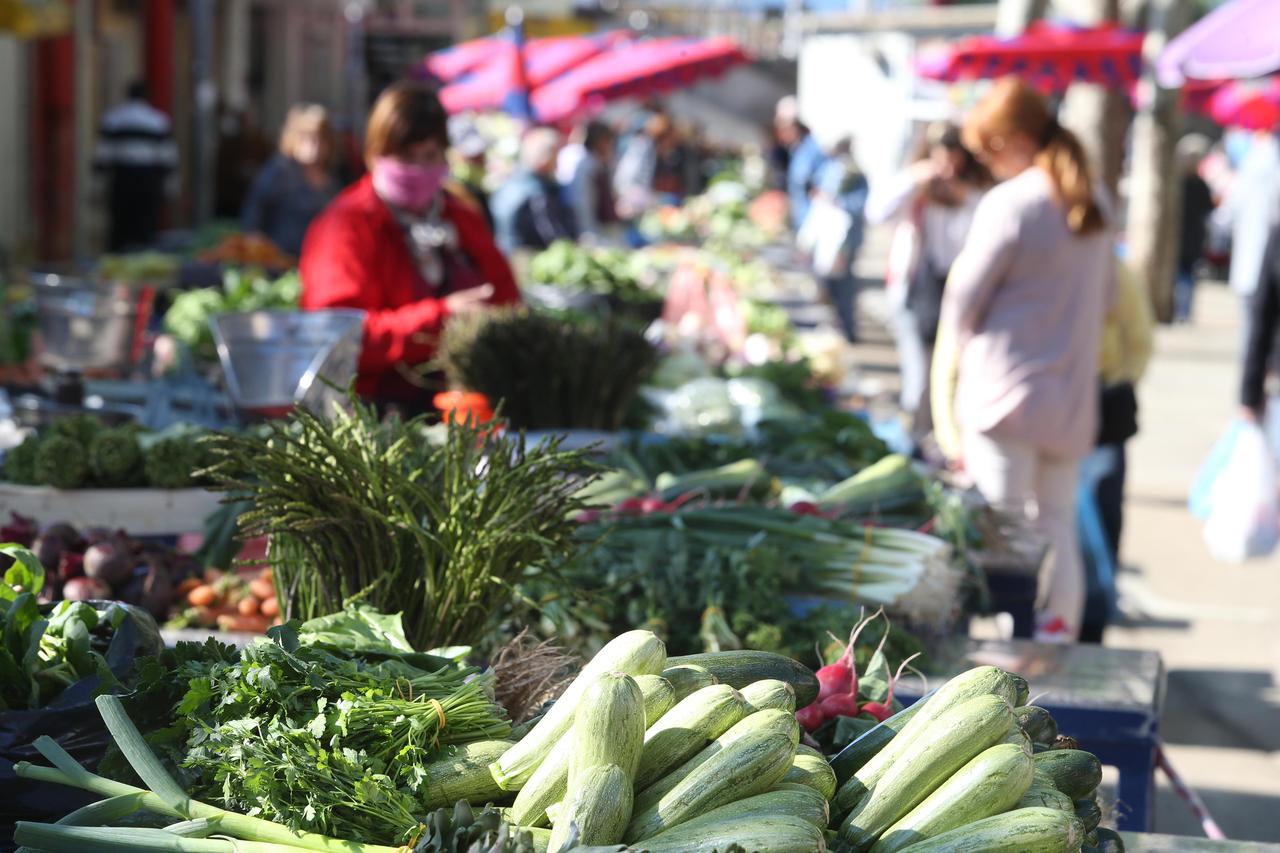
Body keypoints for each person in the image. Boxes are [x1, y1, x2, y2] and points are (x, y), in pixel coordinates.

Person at [931, 77, 1115, 643]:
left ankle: (1000, 657)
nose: (988, 161)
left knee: (1003, 533)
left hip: (1004, 395)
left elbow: (963, 298)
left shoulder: (1011, 203)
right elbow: (1106, 300)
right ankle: (1056, 645)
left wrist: (959, 358)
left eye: (989, 147)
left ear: (1013, 139)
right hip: (1070, 399)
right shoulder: (1095, 200)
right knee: (1057, 526)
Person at [299, 81, 520, 413]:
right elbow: (337, 336)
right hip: (375, 415)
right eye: (405, 156)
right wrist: (442, 319)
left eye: (430, 155)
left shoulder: (462, 217)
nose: (418, 169)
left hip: (465, 408)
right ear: (374, 154)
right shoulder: (346, 226)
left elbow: (507, 300)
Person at [865, 123, 991, 437]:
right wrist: (913, 178)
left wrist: (961, 192)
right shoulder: (917, 188)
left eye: (954, 156)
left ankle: (940, 438)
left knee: (952, 373)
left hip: (959, 291)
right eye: (941, 156)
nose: (947, 166)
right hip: (915, 291)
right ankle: (915, 438)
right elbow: (877, 212)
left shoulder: (975, 192)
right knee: (919, 375)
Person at [1080, 258, 1154, 643]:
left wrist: (1111, 386)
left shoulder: (1116, 273)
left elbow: (1140, 341)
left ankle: (1094, 619)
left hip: (1103, 410)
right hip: (1047, 407)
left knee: (1103, 516)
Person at [241, 104, 338, 257]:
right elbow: (254, 217)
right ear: (294, 139)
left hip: (317, 260)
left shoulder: (330, 180)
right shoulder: (279, 171)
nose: (315, 146)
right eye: (308, 139)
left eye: (320, 139)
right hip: (281, 262)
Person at [1214, 129, 1280, 352]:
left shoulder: (1254, 161)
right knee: (1258, 328)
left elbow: (1229, 211)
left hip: (1256, 260)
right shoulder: (1260, 159)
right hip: (1260, 259)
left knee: (1255, 329)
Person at [93, 81, 178, 251]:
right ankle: (144, 258)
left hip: (122, 177)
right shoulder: (158, 121)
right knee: (145, 222)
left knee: (120, 222)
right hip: (148, 177)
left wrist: (96, 185)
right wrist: (171, 186)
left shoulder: (113, 120)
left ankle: (117, 258)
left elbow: (103, 154)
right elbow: (167, 156)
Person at [799, 138, 869, 343]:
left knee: (845, 287)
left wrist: (838, 202)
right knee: (824, 284)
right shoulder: (828, 169)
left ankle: (847, 328)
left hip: (845, 242)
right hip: (825, 240)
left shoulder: (856, 175)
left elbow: (859, 205)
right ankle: (832, 326)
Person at [490, 127, 577, 254]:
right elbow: (551, 236)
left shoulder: (507, 184)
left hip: (506, 254)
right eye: (556, 154)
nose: (558, 161)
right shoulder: (537, 192)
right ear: (545, 157)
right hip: (527, 257)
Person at [1173, 134, 1214, 324]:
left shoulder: (1181, 184)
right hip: (1190, 236)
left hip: (1184, 236)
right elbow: (1208, 208)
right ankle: (1184, 311)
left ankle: (1182, 311)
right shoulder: (1195, 184)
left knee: (1183, 274)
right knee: (1186, 274)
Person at [557, 121, 618, 244]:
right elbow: (583, 204)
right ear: (600, 142)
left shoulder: (595, 163)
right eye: (609, 142)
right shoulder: (587, 167)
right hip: (594, 233)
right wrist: (591, 235)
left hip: (601, 229)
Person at [774, 96, 826, 229]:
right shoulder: (795, 151)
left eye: (785, 127)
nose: (782, 133)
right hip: (801, 218)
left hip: (812, 221)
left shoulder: (811, 150)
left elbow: (821, 187)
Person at [613, 111, 675, 222]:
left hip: (635, 198)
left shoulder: (649, 147)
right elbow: (628, 176)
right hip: (631, 200)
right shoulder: (643, 146)